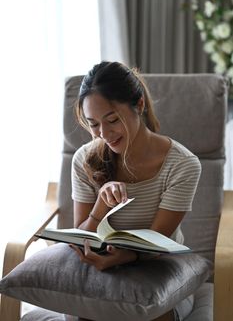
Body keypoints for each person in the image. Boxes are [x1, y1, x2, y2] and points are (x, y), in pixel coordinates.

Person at [70, 61, 201, 321]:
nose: (104, 134)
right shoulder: (83, 159)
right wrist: (100, 207)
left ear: (139, 105)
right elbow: (79, 238)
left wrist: (124, 257)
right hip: (103, 272)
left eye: (112, 120)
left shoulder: (183, 165)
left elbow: (157, 244)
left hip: (159, 270)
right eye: (93, 124)